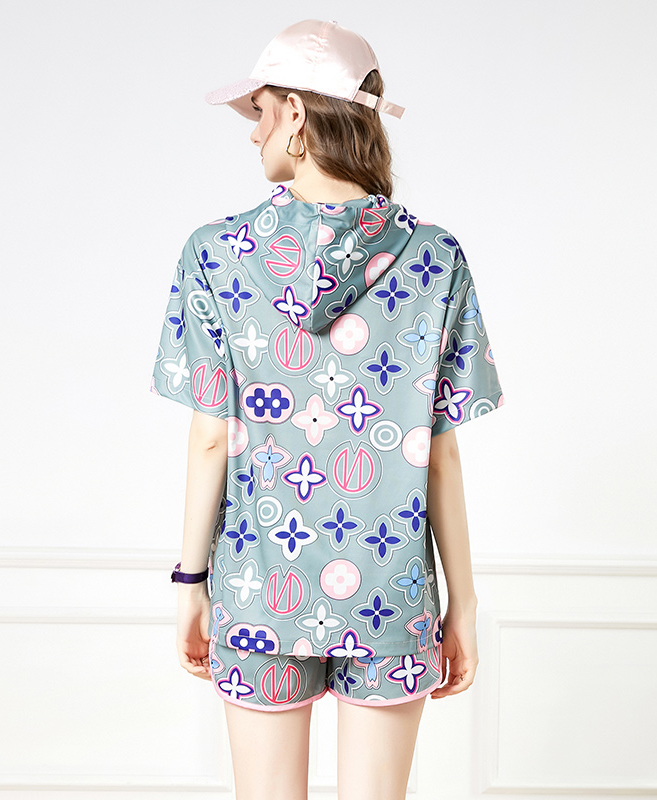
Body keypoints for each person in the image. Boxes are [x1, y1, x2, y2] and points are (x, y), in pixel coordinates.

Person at [150, 19, 505, 800]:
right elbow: (439, 451)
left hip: (258, 585)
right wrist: (463, 602)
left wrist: (190, 581)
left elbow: (210, 438)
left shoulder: (214, 254)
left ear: (295, 115)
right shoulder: (435, 258)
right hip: (391, 593)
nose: (254, 134)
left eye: (258, 112)